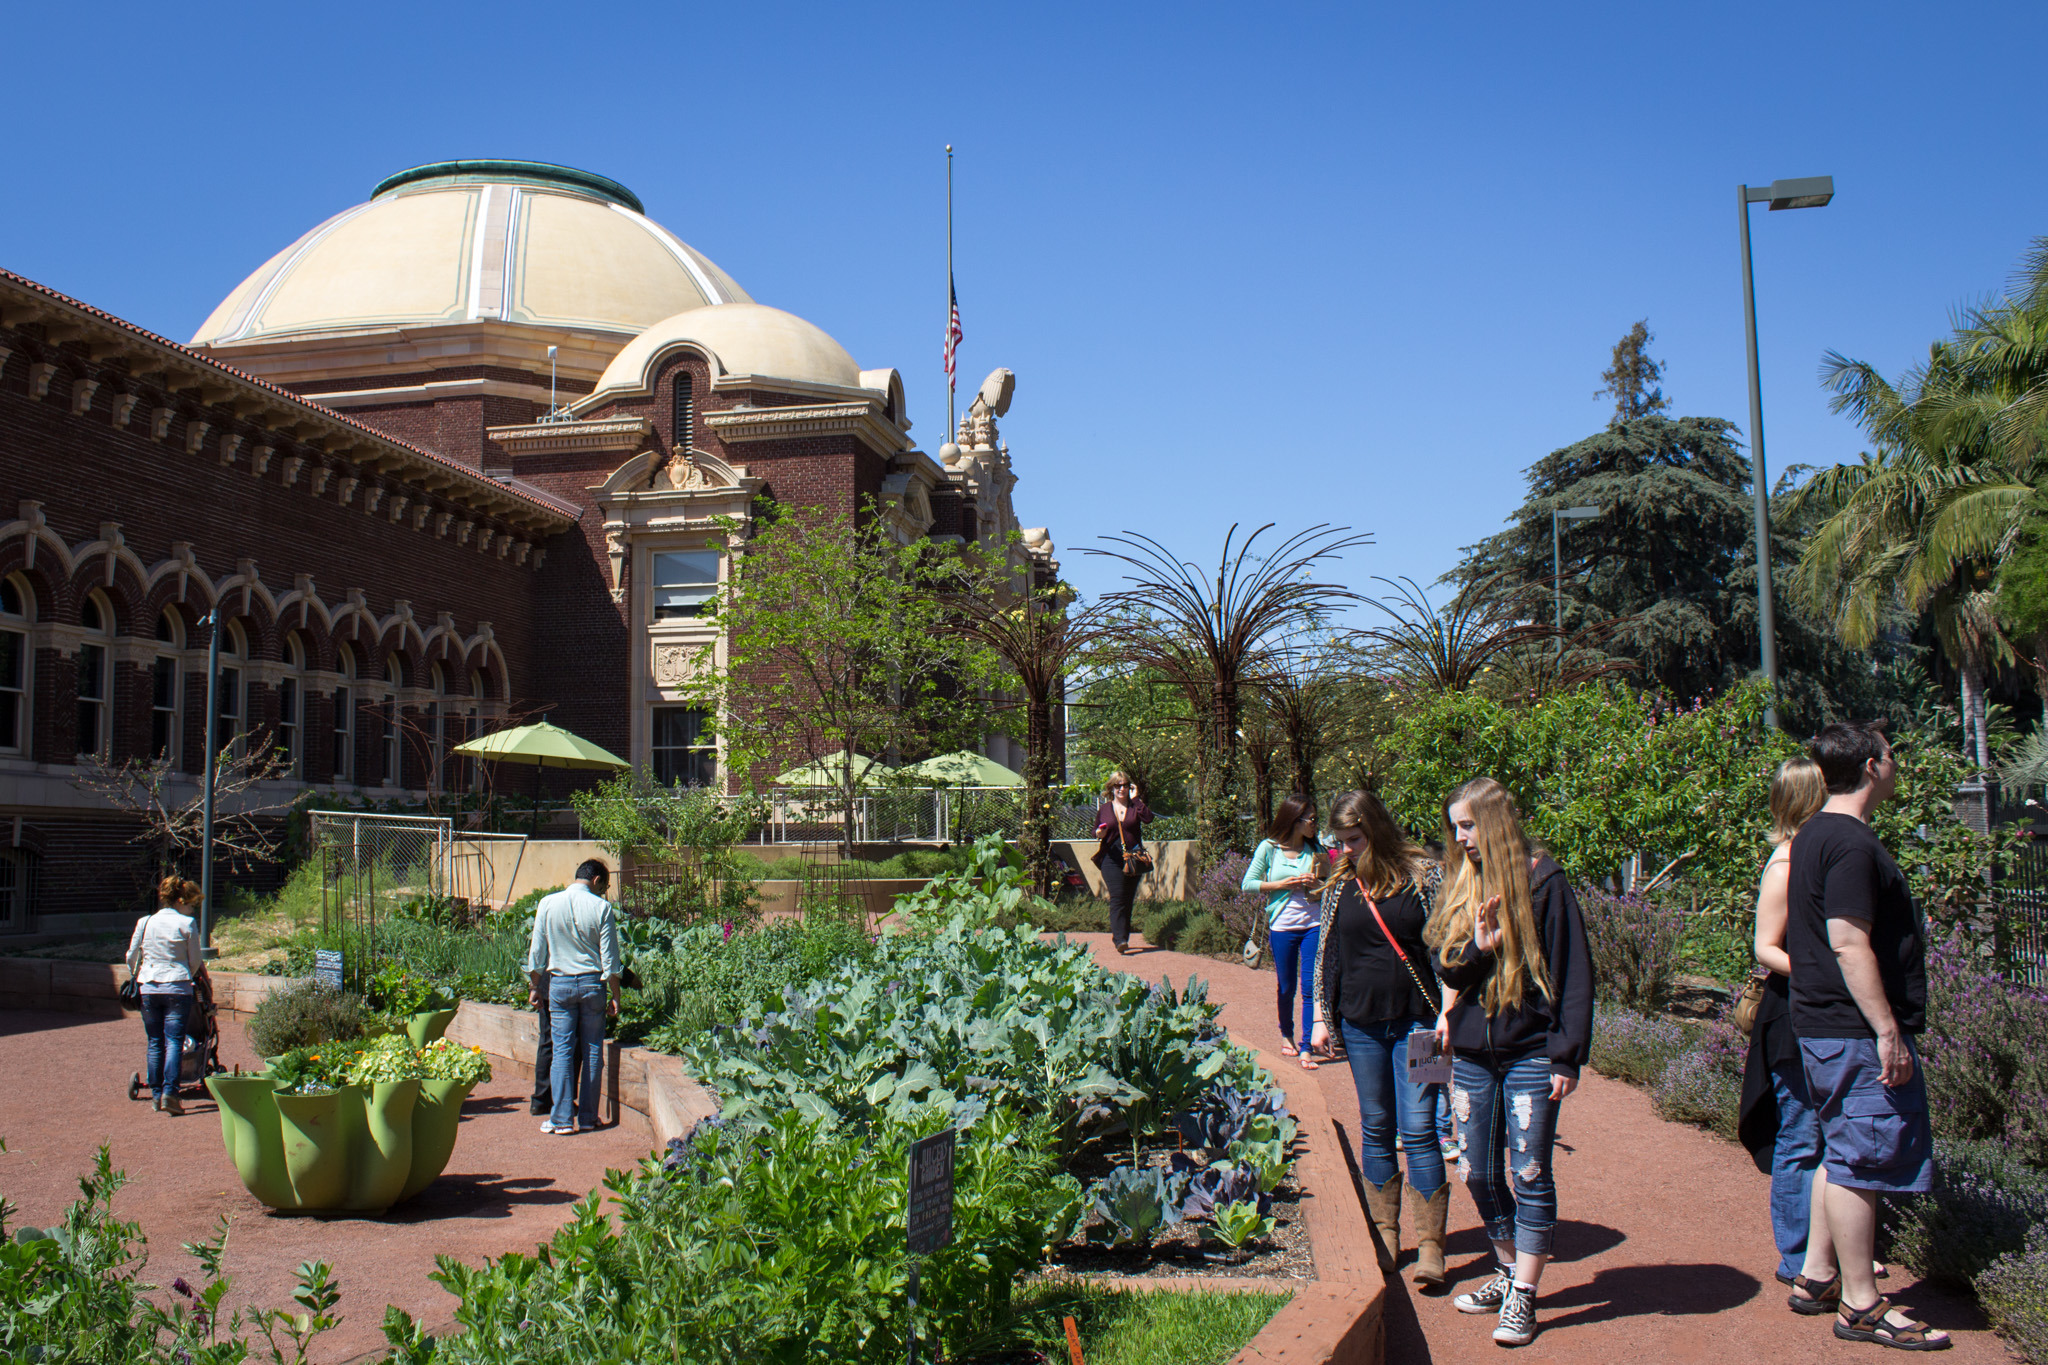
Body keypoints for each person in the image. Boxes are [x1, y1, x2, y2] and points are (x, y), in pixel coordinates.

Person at [1783, 723, 1949, 1350]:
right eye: (1892, 755)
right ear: (1874, 766)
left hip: (1824, 1025)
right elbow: (1849, 942)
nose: (1895, 764)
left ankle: (1818, 1274)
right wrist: (1888, 1031)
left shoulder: (1813, 833)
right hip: (1852, 1029)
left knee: (1839, 1145)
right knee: (1862, 1158)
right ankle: (1860, 1304)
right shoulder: (1849, 843)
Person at [1426, 777, 1592, 1348]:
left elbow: (1573, 975)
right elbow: (1448, 971)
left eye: (1468, 825)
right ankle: (1505, 1269)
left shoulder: (1544, 880)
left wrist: (1566, 1056)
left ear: (1493, 822)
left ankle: (1525, 1293)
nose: (1460, 837)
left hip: (1531, 1052)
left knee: (1529, 1171)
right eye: (1455, 826)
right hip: (1473, 1054)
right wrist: (1481, 947)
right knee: (1476, 1169)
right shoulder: (1463, 881)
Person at [1307, 789, 1451, 1286]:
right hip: (1361, 1024)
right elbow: (1327, 954)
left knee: (1420, 1128)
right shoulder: (1339, 885)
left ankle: (1432, 1246)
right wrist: (1322, 1018)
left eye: (1354, 839)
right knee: (1375, 1125)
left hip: (1421, 1023)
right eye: (1341, 840)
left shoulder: (1423, 876)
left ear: (1377, 830)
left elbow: (1447, 947)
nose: (1346, 849)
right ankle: (1385, 1234)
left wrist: (1450, 1012)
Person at [1739, 758, 1831, 1289]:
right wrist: (1825, 972)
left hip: (1818, 1009)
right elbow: (1764, 948)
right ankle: (1796, 1255)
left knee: (1824, 1137)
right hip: (1792, 1015)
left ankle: (1824, 1249)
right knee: (1801, 1137)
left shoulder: (1817, 856)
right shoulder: (1785, 863)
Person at [525, 859, 622, 1135]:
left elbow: (537, 952)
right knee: (593, 1052)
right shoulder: (602, 908)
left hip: (560, 985)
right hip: (593, 985)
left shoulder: (547, 903)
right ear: (595, 881)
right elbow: (610, 959)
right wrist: (615, 994)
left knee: (562, 1052)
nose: (604, 892)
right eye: (604, 886)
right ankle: (589, 1118)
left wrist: (535, 986)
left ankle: (562, 1119)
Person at [1243, 794, 1328, 1067]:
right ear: (1295, 821)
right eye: (1311, 819)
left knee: (1310, 986)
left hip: (1313, 924)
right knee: (1286, 986)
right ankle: (1287, 1034)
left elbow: (1328, 886)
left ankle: (1305, 1046)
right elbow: (1249, 884)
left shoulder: (1317, 848)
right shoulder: (1269, 848)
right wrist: (1283, 884)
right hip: (1282, 926)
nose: (1315, 824)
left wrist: (1315, 883)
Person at [125, 875, 207, 1116]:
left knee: (155, 1042)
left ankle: (157, 1093)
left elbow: (131, 955)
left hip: (149, 986)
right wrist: (185, 974)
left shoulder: (145, 921)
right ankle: (172, 1093)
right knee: (174, 1040)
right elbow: (195, 960)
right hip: (177, 986)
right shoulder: (187, 923)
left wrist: (137, 973)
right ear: (181, 899)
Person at [1092, 772, 1153, 955]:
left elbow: (1149, 819)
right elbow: (1095, 831)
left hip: (1133, 859)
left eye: (1125, 785)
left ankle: (1122, 936)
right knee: (1118, 896)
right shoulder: (1104, 809)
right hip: (1111, 858)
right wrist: (1099, 834)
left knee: (1127, 899)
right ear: (1111, 788)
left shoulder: (1135, 807)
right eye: (1117, 786)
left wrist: (1137, 800)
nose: (1121, 789)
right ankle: (1120, 939)